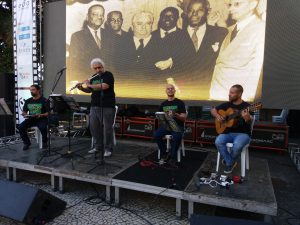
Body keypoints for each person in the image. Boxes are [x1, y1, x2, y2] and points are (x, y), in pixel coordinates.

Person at [209, 0, 266, 101]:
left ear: (252, 4)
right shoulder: (229, 30)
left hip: (237, 102)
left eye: (237, 4)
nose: (230, 8)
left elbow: (256, 74)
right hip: (217, 97)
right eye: (230, 5)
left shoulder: (261, 29)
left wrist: (244, 103)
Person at [180, 0, 228, 98]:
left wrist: (221, 21)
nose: (194, 14)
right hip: (182, 94)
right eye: (190, 10)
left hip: (210, 94)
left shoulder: (220, 33)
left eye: (200, 10)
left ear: (208, 11)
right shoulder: (175, 36)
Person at [77, 58, 116, 157]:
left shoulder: (108, 75)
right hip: (94, 106)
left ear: (103, 66)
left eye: (99, 67)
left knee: (107, 128)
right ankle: (98, 147)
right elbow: (89, 90)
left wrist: (89, 84)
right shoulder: (94, 77)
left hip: (107, 105)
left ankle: (108, 149)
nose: (98, 70)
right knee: (93, 127)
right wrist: (81, 87)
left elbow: (105, 86)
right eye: (95, 68)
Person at [211, 84, 253, 174]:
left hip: (243, 134)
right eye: (229, 92)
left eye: (232, 93)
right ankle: (231, 162)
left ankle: (228, 162)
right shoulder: (226, 105)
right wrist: (218, 116)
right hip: (227, 133)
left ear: (240, 94)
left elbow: (250, 121)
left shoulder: (247, 107)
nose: (229, 94)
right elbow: (213, 110)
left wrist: (247, 118)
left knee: (237, 145)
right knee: (218, 141)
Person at [68, 4, 111, 82]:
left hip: (108, 82)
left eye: (101, 15)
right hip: (87, 81)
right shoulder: (77, 36)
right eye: (95, 14)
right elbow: (73, 63)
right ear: (87, 16)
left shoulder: (109, 35)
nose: (99, 17)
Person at [154, 84, 187, 165]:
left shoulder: (180, 102)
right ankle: (165, 154)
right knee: (156, 134)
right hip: (166, 126)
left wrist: (176, 115)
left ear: (174, 91)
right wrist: (160, 117)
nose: (170, 90)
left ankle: (172, 157)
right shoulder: (163, 104)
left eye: (172, 88)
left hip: (178, 125)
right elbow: (159, 116)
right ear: (166, 91)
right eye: (168, 89)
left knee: (177, 136)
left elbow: (184, 117)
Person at [19, 85, 48, 150]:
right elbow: (25, 111)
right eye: (30, 90)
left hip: (41, 119)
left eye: (33, 90)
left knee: (43, 127)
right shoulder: (28, 101)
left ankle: (45, 142)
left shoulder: (44, 100)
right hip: (31, 119)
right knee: (21, 127)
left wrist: (41, 115)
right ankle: (26, 143)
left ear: (38, 90)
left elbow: (48, 113)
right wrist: (24, 114)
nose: (31, 91)